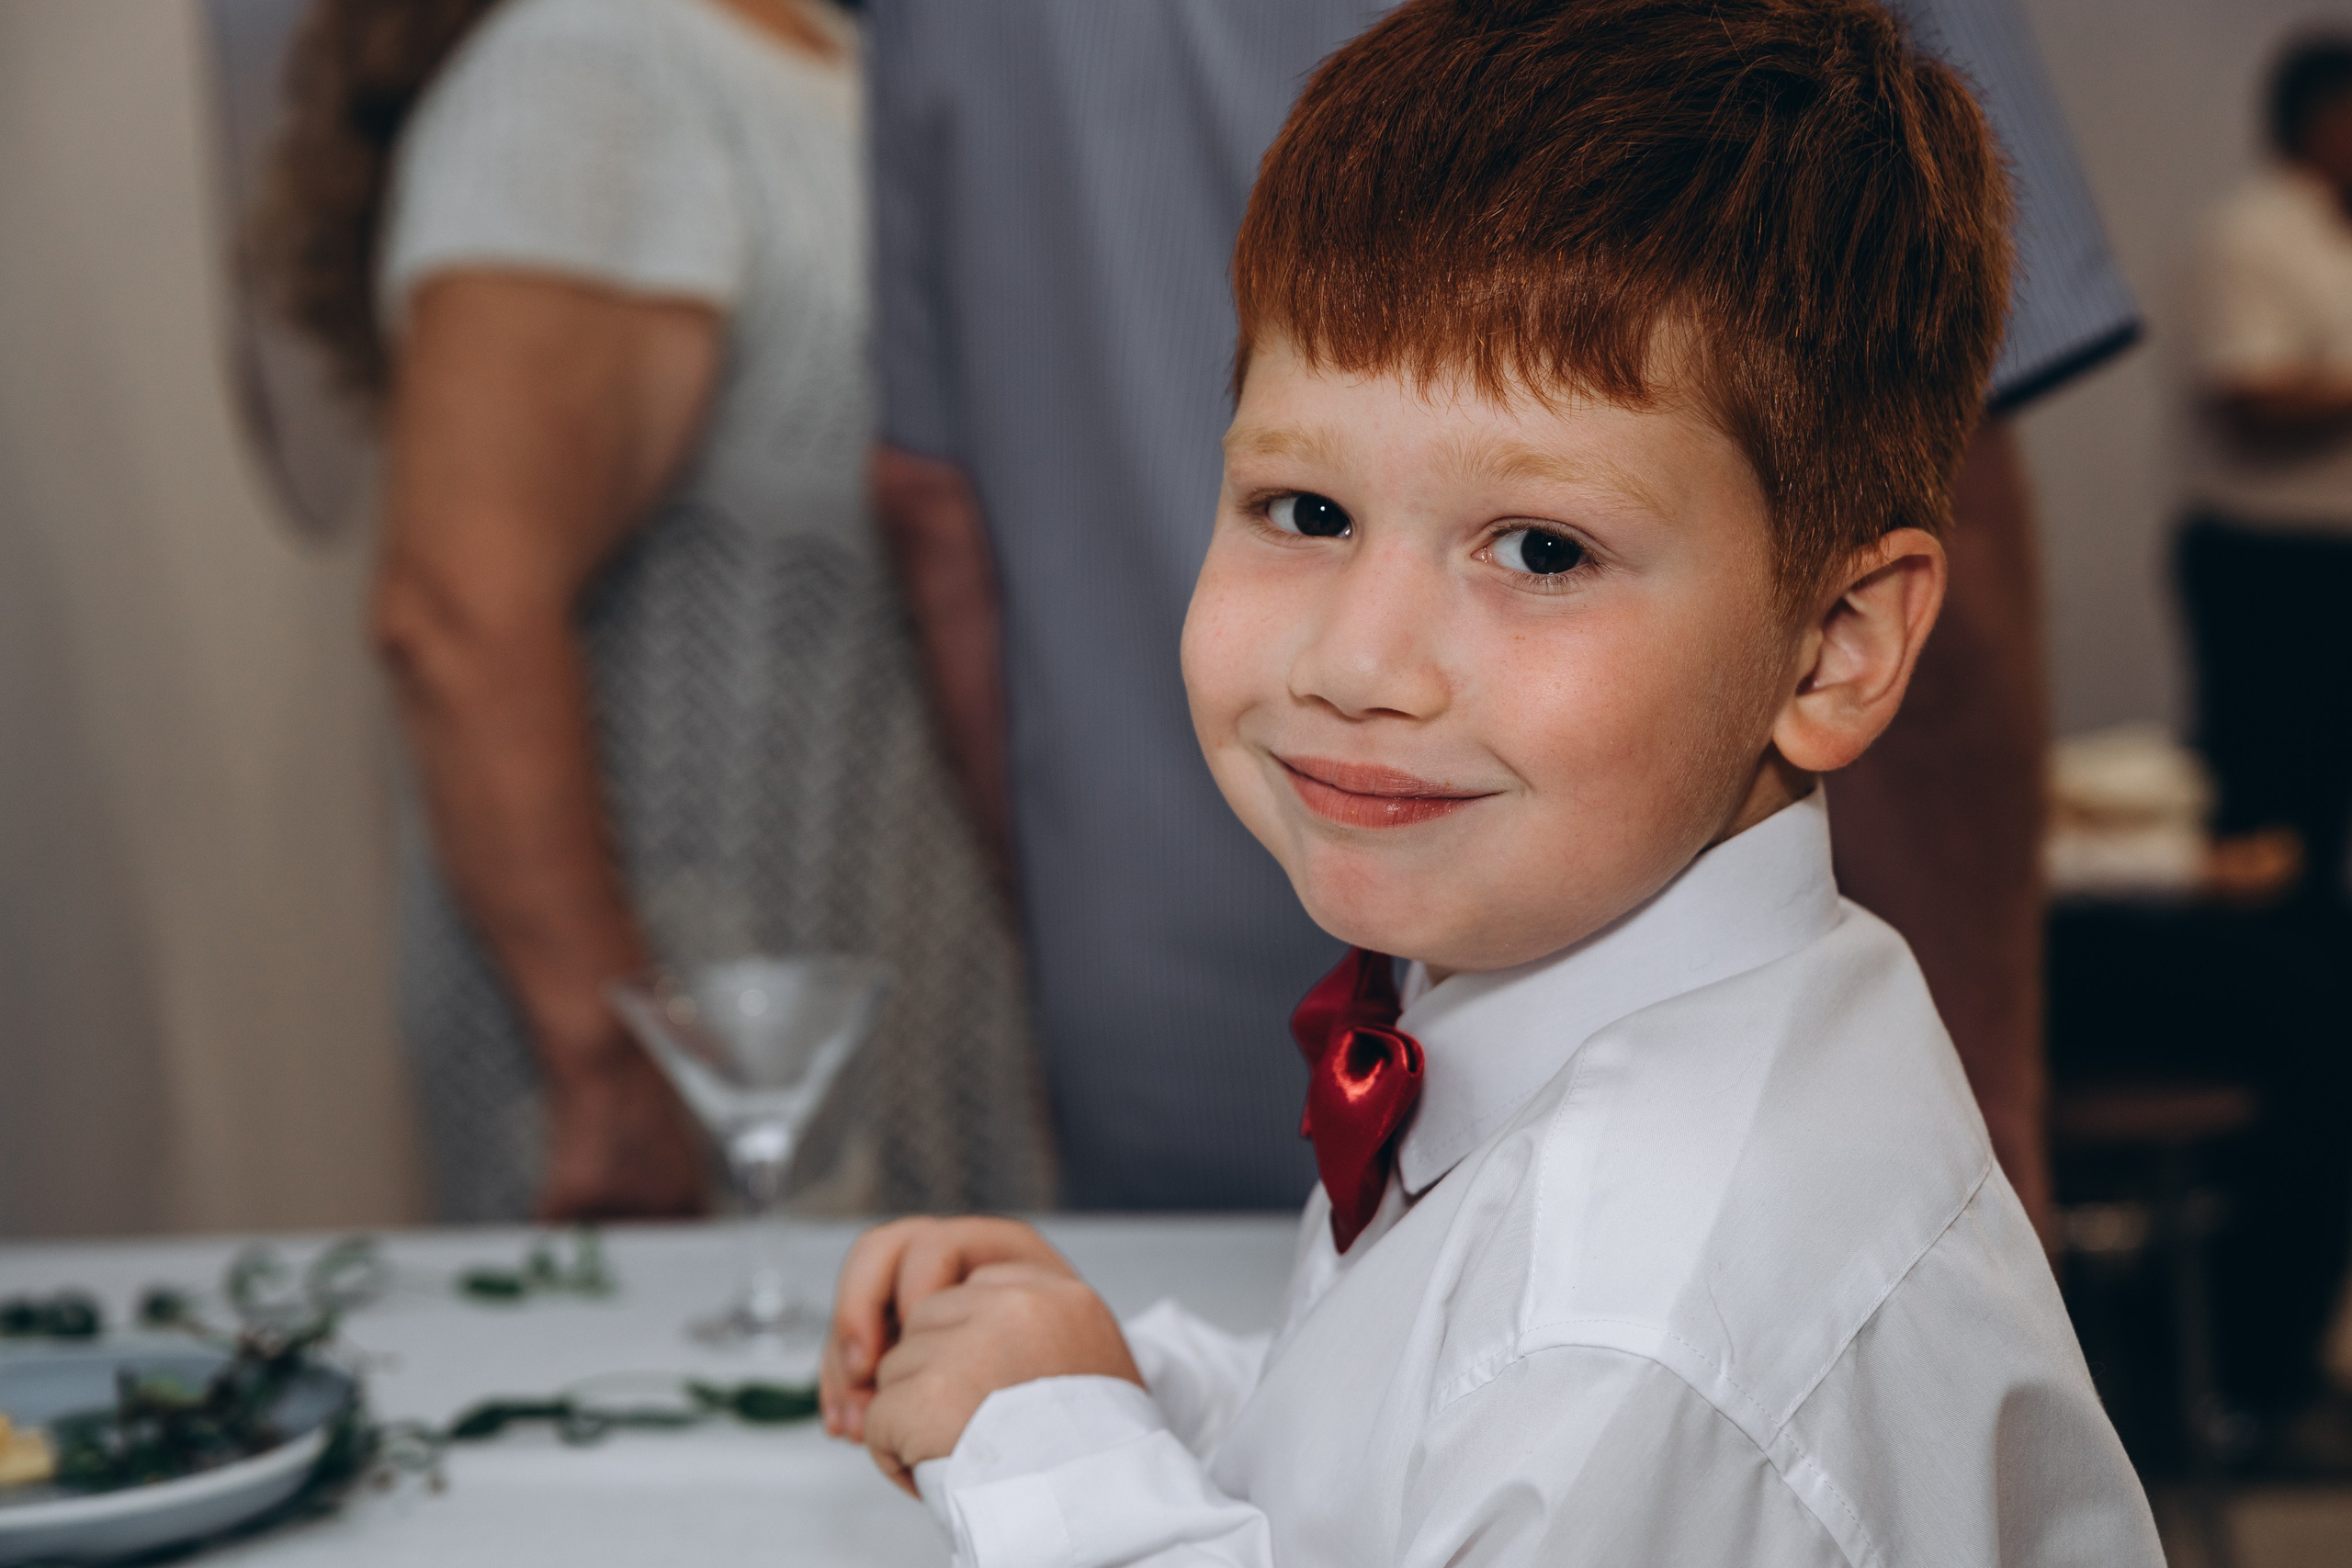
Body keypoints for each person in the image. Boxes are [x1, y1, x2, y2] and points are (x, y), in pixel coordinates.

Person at [819, 3, 2164, 1561]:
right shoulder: (1569, 1032)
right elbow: (1422, 1453)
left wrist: (1052, 1449)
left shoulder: (1643, 1323)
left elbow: (1561, 1399)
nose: (1360, 658)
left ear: (1835, 647)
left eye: (1540, 550)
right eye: (1305, 508)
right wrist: (1125, 1382)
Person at [251, 0, 1051, 1222]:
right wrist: (609, 1063)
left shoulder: (837, 62)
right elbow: (459, 611)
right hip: (701, 1082)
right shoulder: (591, 66)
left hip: (888, 1019)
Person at [2186, 32, 2352, 905]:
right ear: (2322, 120)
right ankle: (2244, 1016)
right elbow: (2247, 400)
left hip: (2334, 558)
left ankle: (2316, 1016)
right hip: (2269, 565)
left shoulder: (2339, 237)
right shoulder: (2254, 232)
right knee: (2262, 789)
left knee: (2327, 796)